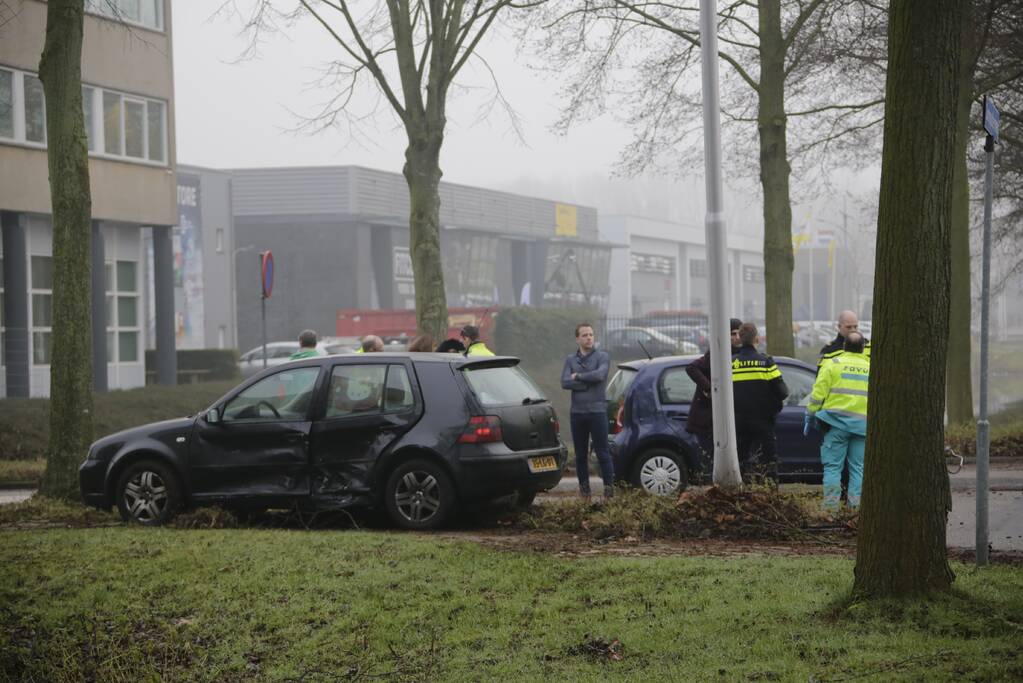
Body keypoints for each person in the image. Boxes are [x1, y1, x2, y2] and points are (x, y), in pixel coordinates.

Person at [807, 332, 869, 510]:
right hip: (862, 427)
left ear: (844, 347)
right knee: (858, 469)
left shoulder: (832, 364)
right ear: (863, 348)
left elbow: (818, 394)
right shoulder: (871, 366)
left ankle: (830, 509)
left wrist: (810, 413)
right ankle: (855, 510)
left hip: (835, 425)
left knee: (833, 468)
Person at [561, 323, 614, 500]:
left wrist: (579, 377)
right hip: (577, 413)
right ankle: (585, 492)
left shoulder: (602, 356)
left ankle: (609, 492)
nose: (589, 338)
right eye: (584, 335)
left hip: (597, 411)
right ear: (577, 338)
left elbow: (600, 375)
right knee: (580, 455)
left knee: (603, 452)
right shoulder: (570, 360)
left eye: (591, 334)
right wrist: (586, 383)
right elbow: (565, 382)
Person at [731, 323, 789, 483]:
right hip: (763, 421)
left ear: (739, 339)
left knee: (741, 459)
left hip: (738, 421)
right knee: (768, 460)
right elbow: (783, 392)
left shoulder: (731, 364)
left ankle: (743, 493)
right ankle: (769, 492)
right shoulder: (766, 362)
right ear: (756, 338)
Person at [685, 318, 743, 476]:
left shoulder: (743, 354)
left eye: (739, 333)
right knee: (709, 460)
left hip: (724, 418)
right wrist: (710, 388)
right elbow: (691, 367)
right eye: (733, 334)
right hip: (707, 420)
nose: (737, 337)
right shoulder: (717, 354)